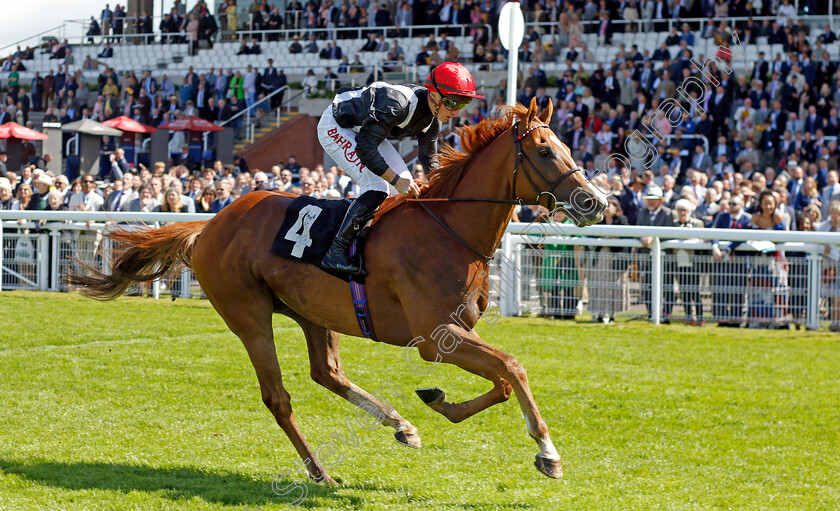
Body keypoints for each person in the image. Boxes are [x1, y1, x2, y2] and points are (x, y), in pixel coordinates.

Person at [317, 61, 483, 275]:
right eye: (452, 102)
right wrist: (396, 180)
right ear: (433, 94)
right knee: (378, 186)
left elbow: (429, 159)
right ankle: (335, 252)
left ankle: (377, 248)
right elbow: (365, 149)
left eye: (462, 104)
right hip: (337, 124)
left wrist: (450, 188)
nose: (456, 111)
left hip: (364, 131)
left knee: (401, 191)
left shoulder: (434, 119)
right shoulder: (397, 103)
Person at [585, 196, 628, 323]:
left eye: (610, 206)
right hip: (600, 259)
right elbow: (590, 235)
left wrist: (606, 237)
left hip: (616, 259)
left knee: (614, 287)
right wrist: (608, 237)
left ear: (616, 208)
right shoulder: (598, 220)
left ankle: (612, 315)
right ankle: (597, 314)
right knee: (598, 286)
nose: (607, 209)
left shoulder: (622, 220)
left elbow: (624, 236)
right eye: (605, 206)